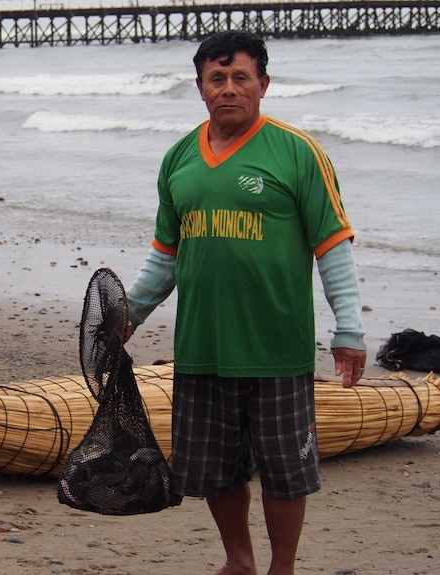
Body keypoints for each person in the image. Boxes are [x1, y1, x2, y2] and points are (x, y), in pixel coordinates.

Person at [124, 31, 366, 575]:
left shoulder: (299, 152)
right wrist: (127, 316)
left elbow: (333, 247)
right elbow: (164, 258)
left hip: (276, 349)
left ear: (263, 83)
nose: (229, 88)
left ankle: (283, 567)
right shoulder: (178, 159)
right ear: (200, 88)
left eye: (240, 78)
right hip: (202, 347)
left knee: (286, 472)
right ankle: (239, 560)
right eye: (217, 79)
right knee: (217, 470)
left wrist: (348, 329)